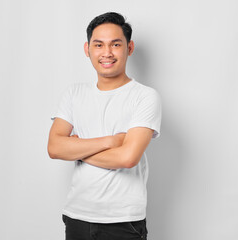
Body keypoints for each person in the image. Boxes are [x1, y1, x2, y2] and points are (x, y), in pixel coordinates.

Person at [47, 12, 161, 240]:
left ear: (129, 48)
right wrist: (111, 141)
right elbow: (54, 148)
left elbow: (127, 158)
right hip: (77, 216)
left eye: (115, 44)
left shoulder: (145, 97)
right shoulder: (74, 94)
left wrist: (77, 149)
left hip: (123, 221)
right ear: (87, 49)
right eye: (98, 45)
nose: (107, 53)